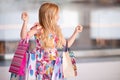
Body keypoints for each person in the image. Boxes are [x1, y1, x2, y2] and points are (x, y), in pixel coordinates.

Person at [12, 2, 83, 80]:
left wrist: (76, 32)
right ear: (49, 16)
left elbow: (67, 44)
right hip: (39, 65)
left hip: (53, 64)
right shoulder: (39, 28)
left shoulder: (56, 30)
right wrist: (25, 22)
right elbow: (24, 37)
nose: (58, 17)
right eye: (56, 14)